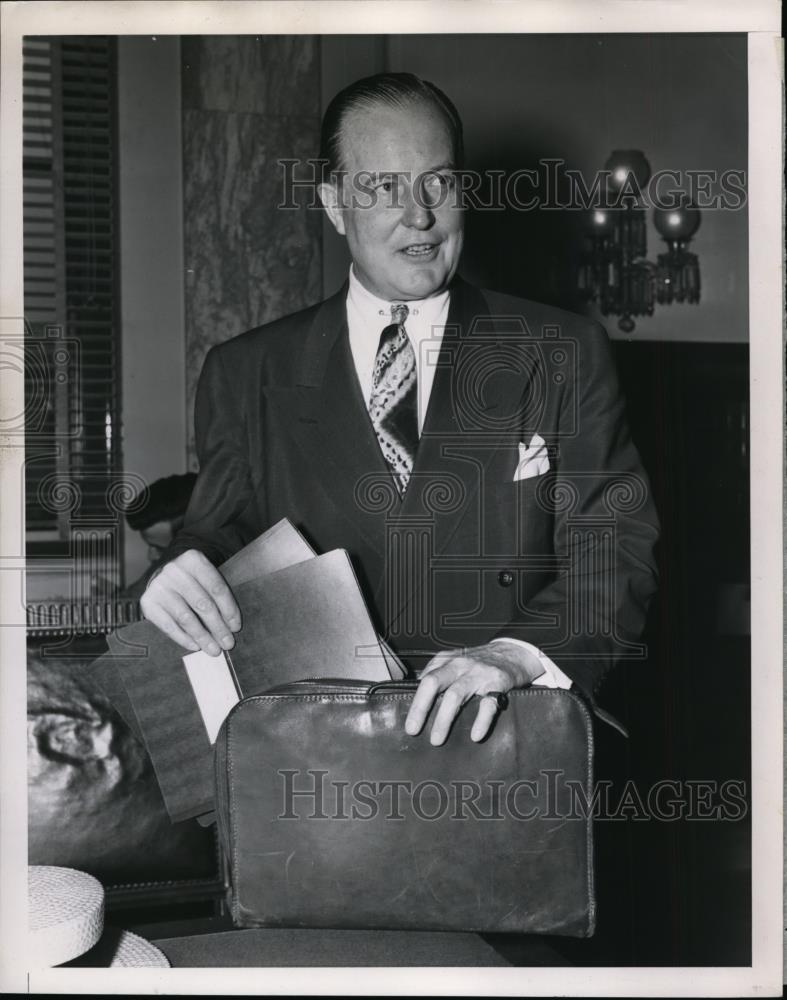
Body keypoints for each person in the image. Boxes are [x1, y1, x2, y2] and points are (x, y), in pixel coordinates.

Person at [140, 73, 659, 746]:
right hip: (315, 762)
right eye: (383, 187)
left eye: (437, 183)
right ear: (333, 203)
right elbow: (217, 533)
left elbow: (614, 552)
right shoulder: (248, 371)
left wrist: (512, 655)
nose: (419, 215)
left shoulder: (562, 350)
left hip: (504, 742)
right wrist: (178, 574)